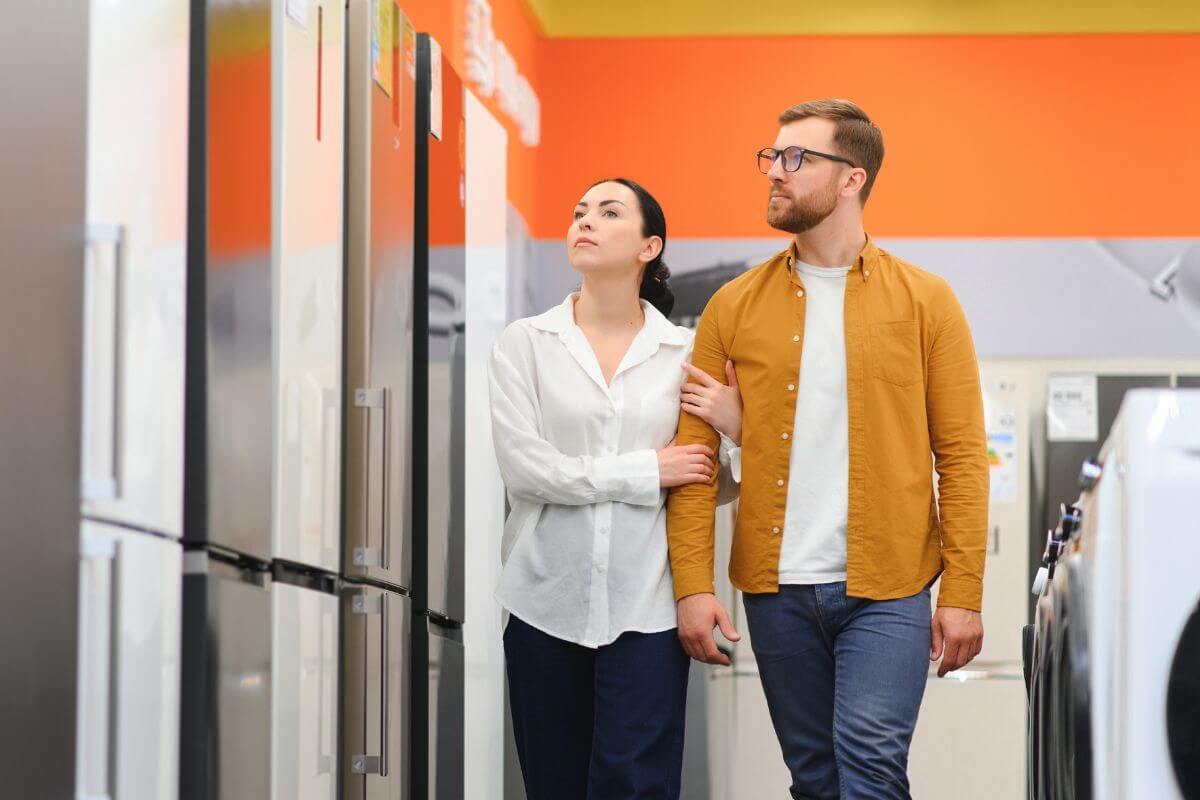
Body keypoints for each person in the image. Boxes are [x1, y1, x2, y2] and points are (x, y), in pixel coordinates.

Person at [666, 99, 989, 800]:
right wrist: (693, 587)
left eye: (796, 158)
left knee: (871, 766)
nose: (774, 172)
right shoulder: (731, 306)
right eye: (772, 156)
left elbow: (962, 457)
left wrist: (963, 592)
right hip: (775, 588)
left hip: (891, 585)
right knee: (815, 780)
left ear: (852, 178)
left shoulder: (927, 301)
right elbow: (693, 463)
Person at [487, 177, 743, 800]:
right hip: (544, 603)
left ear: (649, 247)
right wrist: (648, 471)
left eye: (608, 212)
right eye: (579, 212)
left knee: (638, 788)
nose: (585, 221)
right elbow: (527, 470)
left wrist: (737, 431)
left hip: (648, 609)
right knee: (555, 787)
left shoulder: (685, 353)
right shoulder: (526, 344)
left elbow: (709, 480)